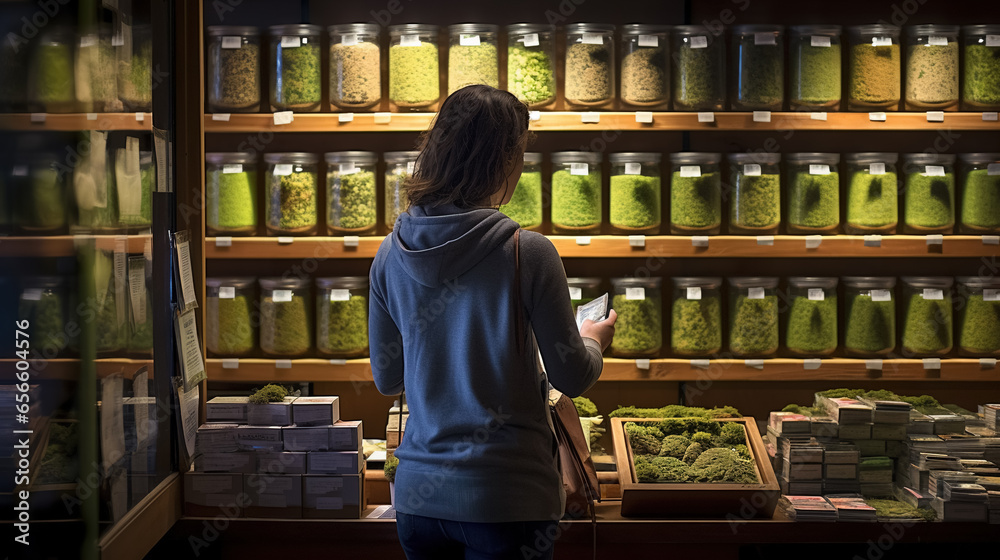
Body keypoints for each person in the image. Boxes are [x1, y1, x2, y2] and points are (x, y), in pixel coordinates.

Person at [369, 84, 617, 560]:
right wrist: (593, 342)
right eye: (519, 153)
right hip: (507, 499)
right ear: (504, 160)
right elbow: (571, 375)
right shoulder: (528, 251)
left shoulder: (389, 254)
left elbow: (388, 379)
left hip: (419, 501)